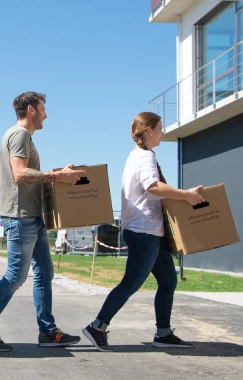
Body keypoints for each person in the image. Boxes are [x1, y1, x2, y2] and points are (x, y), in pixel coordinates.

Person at [0, 92, 85, 352]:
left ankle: (47, 331)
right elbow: (20, 174)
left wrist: (59, 174)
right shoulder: (20, 135)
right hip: (20, 217)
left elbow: (29, 175)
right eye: (43, 109)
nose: (46, 114)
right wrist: (57, 178)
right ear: (31, 109)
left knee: (45, 272)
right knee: (15, 275)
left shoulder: (22, 137)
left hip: (32, 216)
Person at [82, 111, 204, 352]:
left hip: (149, 232)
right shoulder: (145, 157)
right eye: (160, 128)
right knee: (131, 283)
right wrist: (186, 195)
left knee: (168, 280)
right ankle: (97, 326)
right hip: (144, 232)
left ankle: (163, 333)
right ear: (149, 131)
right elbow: (152, 185)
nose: (163, 132)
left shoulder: (136, 156)